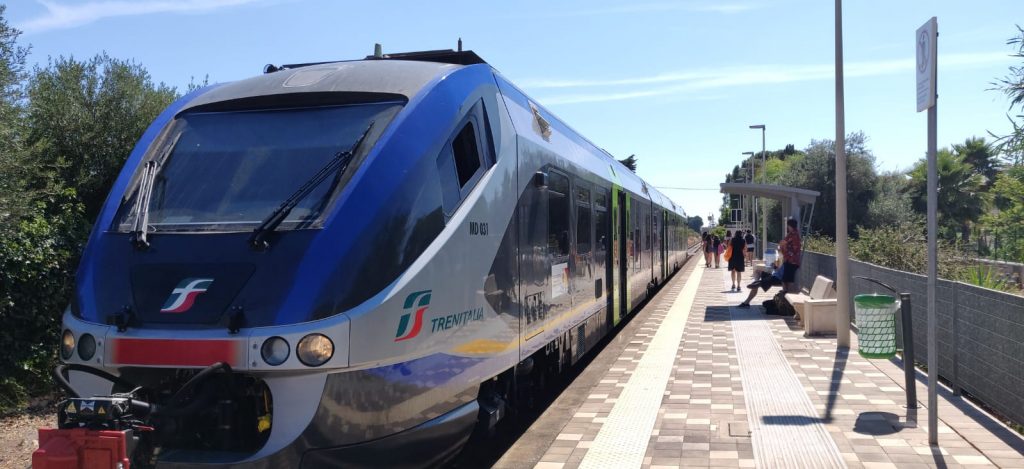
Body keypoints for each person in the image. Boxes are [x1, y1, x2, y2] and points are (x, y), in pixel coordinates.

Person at [778, 218, 802, 293]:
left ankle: (789, 295)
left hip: (792, 261)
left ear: (790, 226)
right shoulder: (791, 234)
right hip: (788, 260)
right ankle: (786, 293)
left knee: (788, 280)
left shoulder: (794, 235)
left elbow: (795, 249)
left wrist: (784, 246)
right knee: (785, 279)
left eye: (788, 226)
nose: (787, 227)